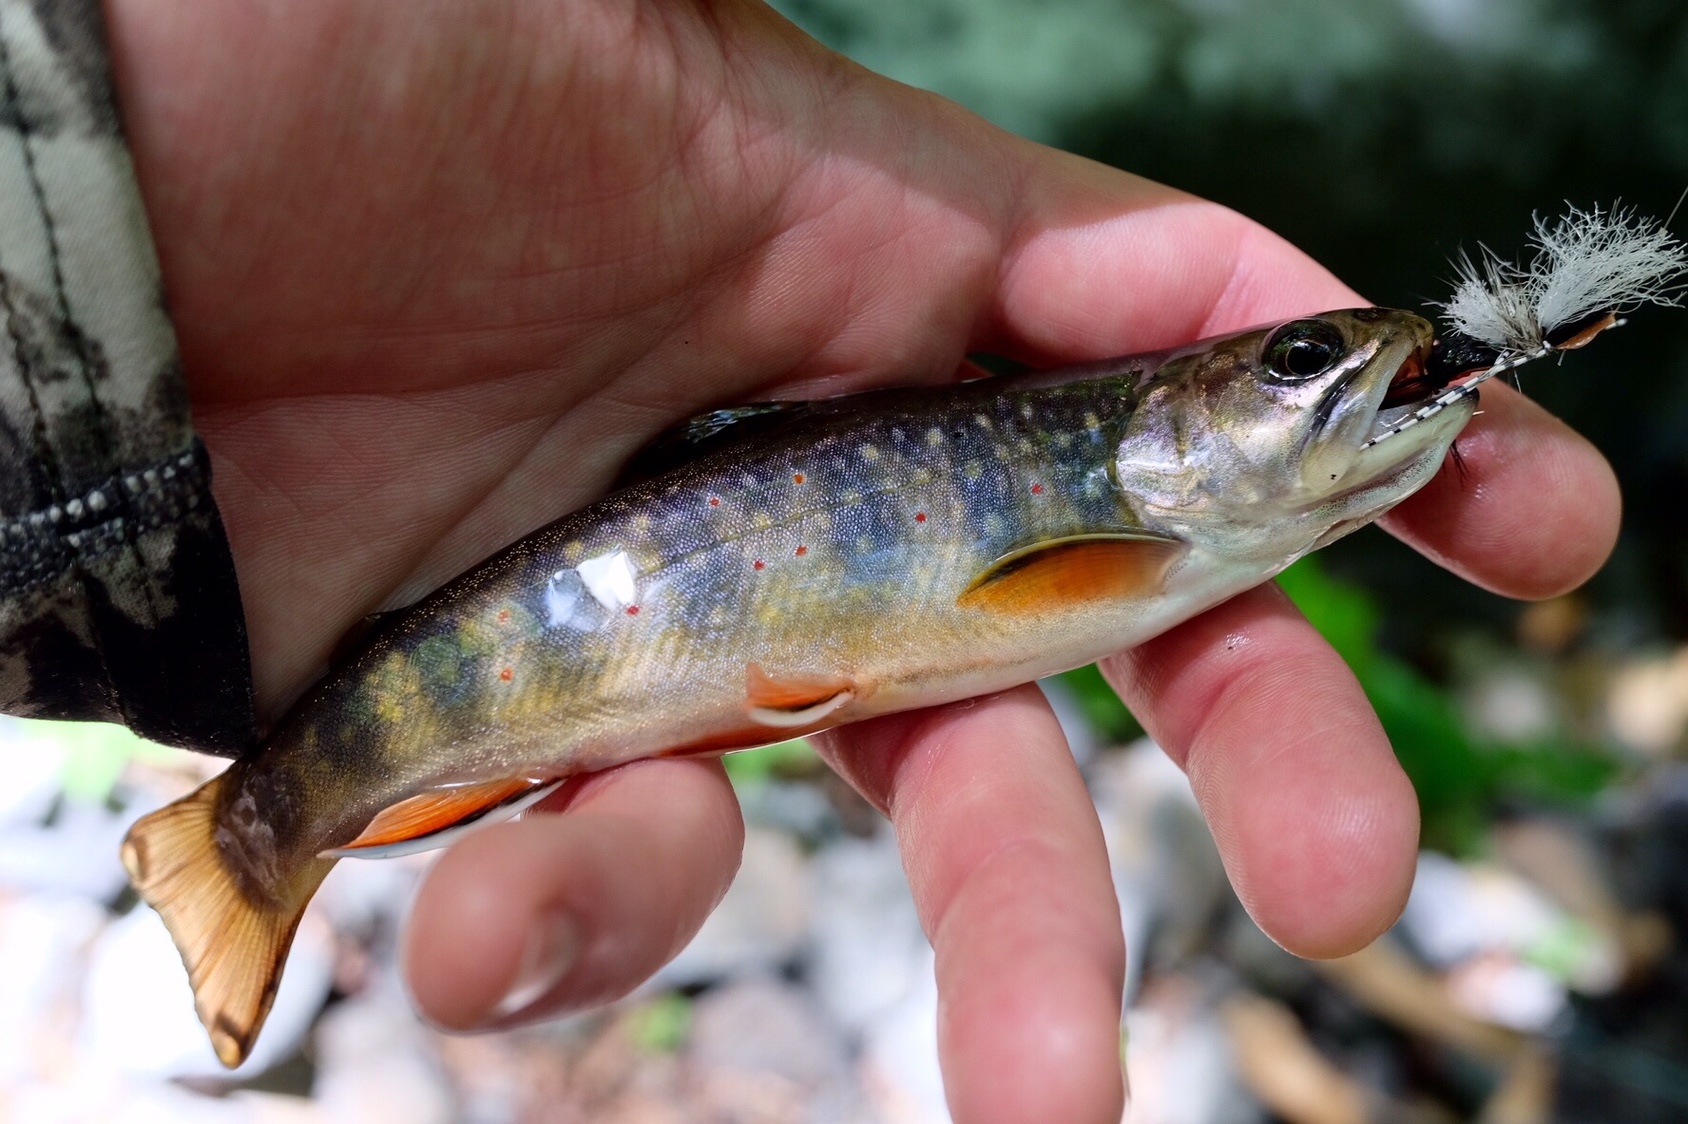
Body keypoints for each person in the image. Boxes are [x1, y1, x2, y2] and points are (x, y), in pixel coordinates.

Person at [29, 2, 1623, 1119]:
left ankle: (255, 824)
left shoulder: (1164, 509)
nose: (1356, 372)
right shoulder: (1133, 523)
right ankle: (254, 828)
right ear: (1170, 410)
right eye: (1295, 363)